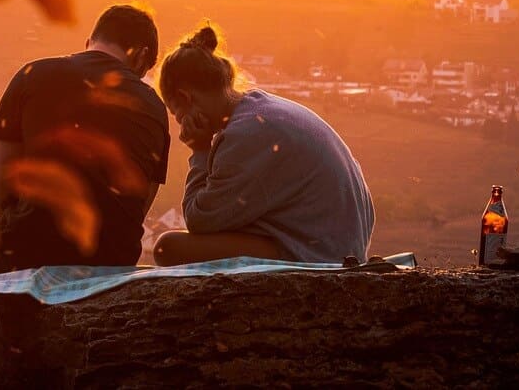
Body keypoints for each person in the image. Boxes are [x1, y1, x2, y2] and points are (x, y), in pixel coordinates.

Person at [153, 24, 374, 266]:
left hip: (320, 256)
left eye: (177, 114)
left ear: (187, 98)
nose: (181, 124)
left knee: (168, 249)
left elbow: (200, 221)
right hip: (338, 244)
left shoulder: (245, 135)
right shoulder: (260, 109)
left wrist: (200, 150)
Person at [0, 4, 170, 271]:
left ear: (89, 44)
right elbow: (137, 208)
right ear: (141, 56)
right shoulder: (154, 106)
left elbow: (1, 190)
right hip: (113, 259)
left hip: (29, 250)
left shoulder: (31, 75)